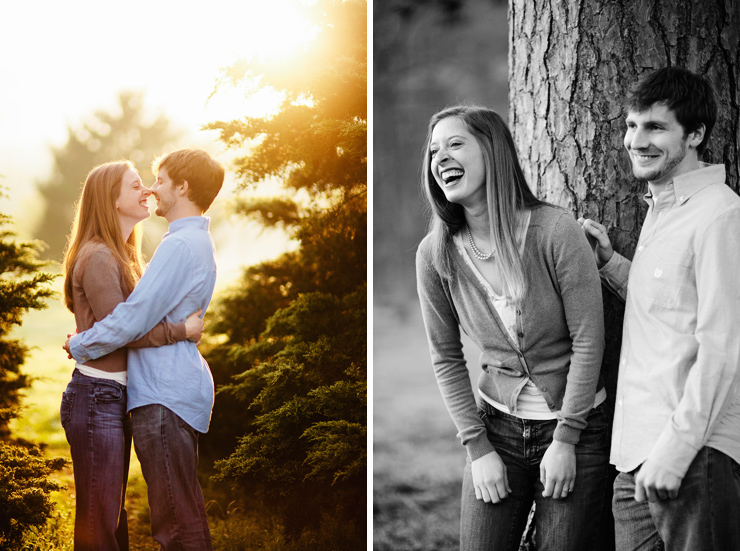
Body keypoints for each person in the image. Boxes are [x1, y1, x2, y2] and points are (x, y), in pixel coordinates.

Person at [416, 105, 608, 551]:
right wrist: (478, 449)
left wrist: (566, 439)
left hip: (576, 429)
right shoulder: (435, 255)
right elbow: (445, 358)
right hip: (496, 431)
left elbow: (588, 339)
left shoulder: (555, 231)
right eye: (433, 151)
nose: (441, 158)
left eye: (456, 144)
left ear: (493, 151)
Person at [579, 67, 740, 551]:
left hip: (693, 457)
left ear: (695, 135)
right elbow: (670, 309)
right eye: (631, 125)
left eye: (654, 127)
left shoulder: (720, 216)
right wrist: (609, 263)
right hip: (632, 461)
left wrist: (678, 449)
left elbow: (723, 346)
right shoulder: (663, 211)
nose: (636, 140)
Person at [65, 148, 225, 550]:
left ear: (183, 187)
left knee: (174, 520)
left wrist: (80, 343)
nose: (152, 191)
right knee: (143, 515)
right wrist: (180, 330)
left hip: (162, 391)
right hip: (137, 390)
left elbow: (130, 322)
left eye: (158, 182)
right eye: (139, 184)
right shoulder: (177, 244)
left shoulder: (177, 246)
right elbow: (130, 322)